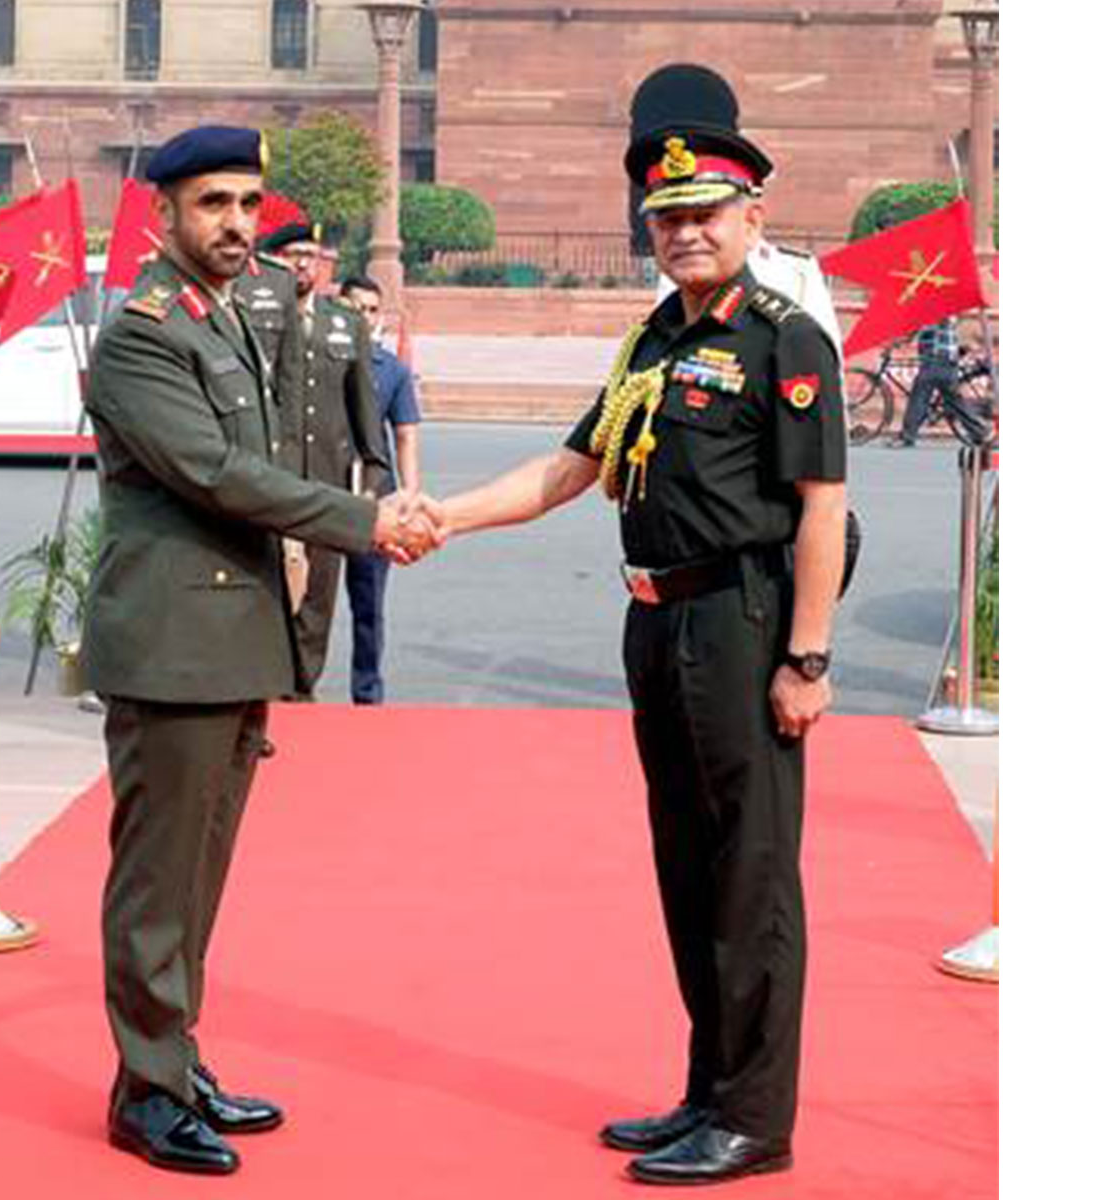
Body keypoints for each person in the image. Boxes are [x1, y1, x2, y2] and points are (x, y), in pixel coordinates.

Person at [436, 64, 847, 1186]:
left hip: (744, 620)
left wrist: (806, 657)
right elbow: (570, 469)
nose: (683, 232)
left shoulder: (783, 340)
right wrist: (439, 518)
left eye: (704, 213)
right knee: (685, 867)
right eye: (665, 218)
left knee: (750, 875)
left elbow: (822, 510)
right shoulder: (652, 341)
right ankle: (706, 1090)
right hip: (656, 624)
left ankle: (757, 1119)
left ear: (750, 217)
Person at [78, 123, 439, 1176]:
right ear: (165, 214)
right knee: (157, 882)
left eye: (247, 205)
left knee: (199, 874)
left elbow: (272, 456)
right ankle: (145, 1091)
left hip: (232, 641)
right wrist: (368, 520)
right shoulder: (146, 332)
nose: (237, 224)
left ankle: (176, 1061)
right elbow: (215, 474)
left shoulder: (227, 315)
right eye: (213, 205)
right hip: (173, 646)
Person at [257, 218, 392, 698]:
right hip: (269, 487)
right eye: (292, 254)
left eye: (310, 254)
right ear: (272, 260)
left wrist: (368, 488)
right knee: (269, 595)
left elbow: (366, 422)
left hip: (328, 489)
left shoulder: (345, 323)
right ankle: (269, 687)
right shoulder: (255, 319)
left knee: (317, 601)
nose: (302, 263)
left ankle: (299, 689)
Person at [336, 275, 423, 704]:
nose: (364, 317)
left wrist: (410, 494)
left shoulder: (393, 371)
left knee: (368, 605)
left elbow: (405, 436)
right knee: (301, 601)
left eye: (372, 310)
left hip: (373, 496)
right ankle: (291, 692)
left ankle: (367, 693)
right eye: (355, 308)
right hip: (319, 492)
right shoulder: (314, 360)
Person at [895, 316, 964, 446]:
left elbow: (948, 320)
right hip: (937, 360)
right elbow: (914, 330)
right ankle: (982, 431)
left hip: (938, 360)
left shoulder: (941, 312)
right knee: (954, 401)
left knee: (919, 396)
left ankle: (908, 435)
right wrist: (901, 341)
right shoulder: (928, 313)